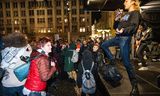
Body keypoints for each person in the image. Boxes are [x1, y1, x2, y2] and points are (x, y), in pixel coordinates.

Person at [101, 0, 141, 95]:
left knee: (126, 63)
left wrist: (123, 30)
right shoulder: (125, 14)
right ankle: (112, 60)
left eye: (126, 1)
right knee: (103, 45)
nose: (124, 3)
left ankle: (135, 86)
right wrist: (117, 18)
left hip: (125, 39)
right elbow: (115, 27)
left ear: (132, 2)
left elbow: (134, 27)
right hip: (118, 37)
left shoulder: (135, 13)